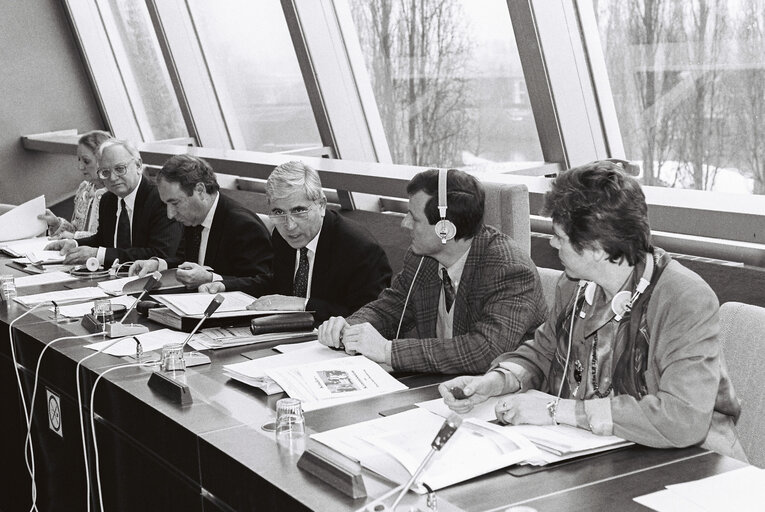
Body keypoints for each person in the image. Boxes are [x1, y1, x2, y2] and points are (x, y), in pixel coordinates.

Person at [438, 160, 747, 460]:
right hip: (605, 455)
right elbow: (544, 351)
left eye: (559, 237)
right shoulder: (574, 284)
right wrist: (497, 381)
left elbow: (683, 418)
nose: (552, 244)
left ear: (598, 249)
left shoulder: (684, 298)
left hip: (691, 466)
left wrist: (556, 410)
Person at [318, 168, 547, 374]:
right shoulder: (421, 258)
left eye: (414, 218)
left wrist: (388, 350)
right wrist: (349, 327)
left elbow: (484, 350)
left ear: (444, 229)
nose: (404, 223)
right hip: (438, 386)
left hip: (499, 397)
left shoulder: (510, 270)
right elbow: (391, 307)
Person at [199, 161, 392, 326]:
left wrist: (303, 304)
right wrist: (224, 285)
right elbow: (276, 284)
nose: (289, 225)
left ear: (321, 205)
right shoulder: (282, 236)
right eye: (278, 212)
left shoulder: (359, 249)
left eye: (299, 211)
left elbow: (369, 318)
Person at [128, 154, 272, 288]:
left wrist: (211, 279)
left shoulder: (243, 226)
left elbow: (262, 283)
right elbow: (186, 261)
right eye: (166, 204)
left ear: (200, 191)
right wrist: (158, 264)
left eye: (175, 203)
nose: (170, 214)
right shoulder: (193, 218)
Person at [45, 139, 182, 266]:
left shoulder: (160, 199)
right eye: (105, 172)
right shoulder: (107, 199)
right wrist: (74, 244)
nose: (113, 178)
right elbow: (104, 240)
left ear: (138, 166)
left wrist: (98, 254)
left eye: (120, 169)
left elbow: (159, 254)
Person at [38, 130, 112, 238]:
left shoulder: (117, 195)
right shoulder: (85, 189)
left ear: (104, 161)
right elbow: (75, 230)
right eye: (79, 159)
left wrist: (74, 238)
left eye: (86, 161)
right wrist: (56, 223)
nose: (80, 167)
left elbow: (109, 240)